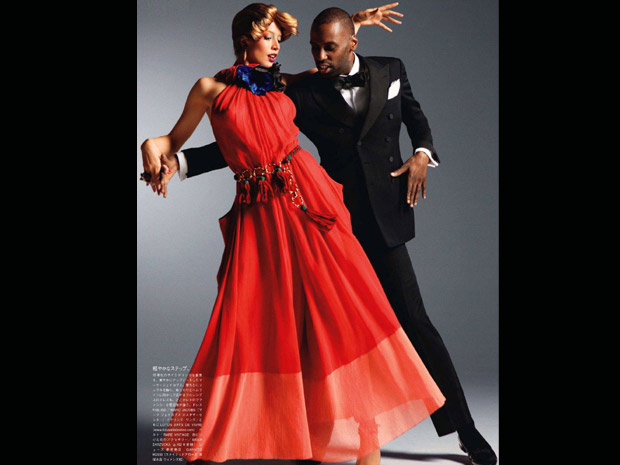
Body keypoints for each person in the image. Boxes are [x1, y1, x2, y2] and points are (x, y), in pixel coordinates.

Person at [150, 5, 498, 465]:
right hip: (308, 217)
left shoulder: (381, 70)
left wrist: (421, 152)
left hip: (362, 217)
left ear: (352, 42)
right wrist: (171, 159)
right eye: (309, 47)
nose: (313, 55)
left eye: (326, 47)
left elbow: (414, 117)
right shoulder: (294, 89)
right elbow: (239, 137)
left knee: (405, 321)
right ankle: (310, 435)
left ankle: (463, 431)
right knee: (304, 326)